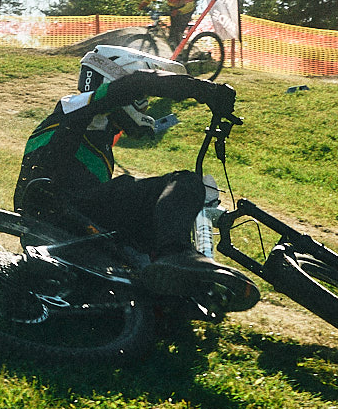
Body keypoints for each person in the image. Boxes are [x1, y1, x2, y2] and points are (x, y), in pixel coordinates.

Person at [14, 45, 252, 305]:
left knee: (151, 241)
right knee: (184, 182)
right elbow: (136, 83)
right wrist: (201, 90)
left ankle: (178, 285)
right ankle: (177, 255)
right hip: (60, 207)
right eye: (142, 99)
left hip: (69, 216)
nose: (145, 105)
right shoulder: (73, 107)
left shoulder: (97, 132)